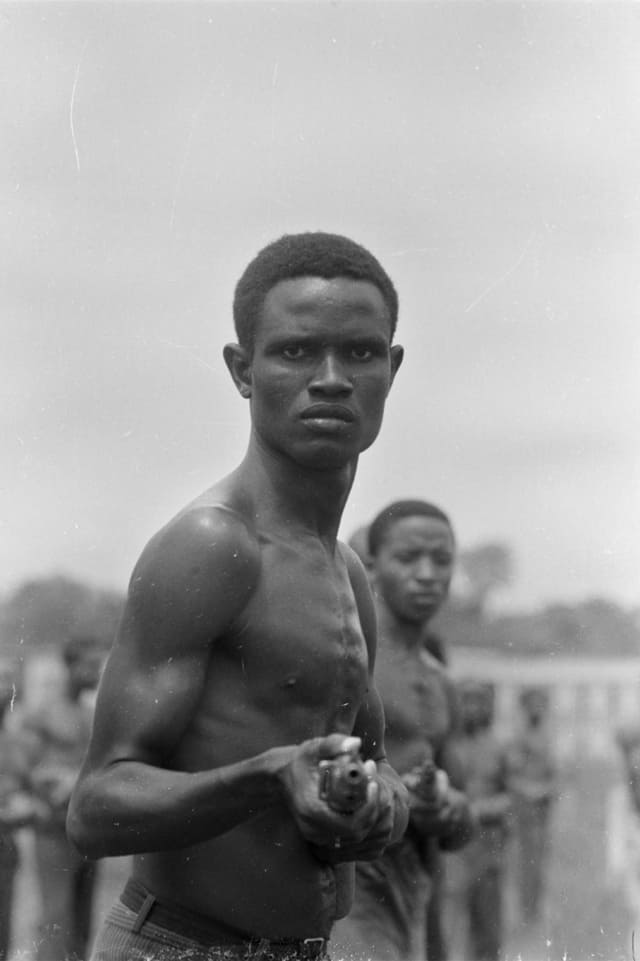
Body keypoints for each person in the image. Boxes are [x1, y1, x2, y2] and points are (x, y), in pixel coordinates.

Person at [67, 232, 410, 961]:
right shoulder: (213, 545)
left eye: (360, 352)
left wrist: (383, 804)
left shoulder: (347, 572)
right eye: (294, 351)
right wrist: (265, 776)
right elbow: (95, 810)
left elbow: (373, 763)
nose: (331, 378)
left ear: (393, 367)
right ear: (241, 369)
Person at [332, 500, 474, 961]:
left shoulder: (441, 683)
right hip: (352, 889)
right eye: (409, 558)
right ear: (371, 567)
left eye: (441, 560)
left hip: (417, 890)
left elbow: (462, 820)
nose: (428, 574)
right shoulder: (347, 661)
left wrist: (445, 807)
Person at [19, 635, 105, 961]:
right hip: (54, 832)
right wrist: (70, 780)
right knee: (57, 918)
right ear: (71, 666)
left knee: (84, 922)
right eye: (90, 666)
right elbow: (27, 769)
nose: (97, 674)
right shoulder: (43, 714)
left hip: (88, 834)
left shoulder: (93, 715)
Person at [442, 681, 511, 961]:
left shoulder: (497, 748)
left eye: (477, 702)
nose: (471, 709)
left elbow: (509, 796)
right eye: (465, 701)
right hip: (454, 850)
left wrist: (482, 810)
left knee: (488, 923)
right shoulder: (447, 748)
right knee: (451, 922)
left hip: (488, 847)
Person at [0, 656, 48, 960]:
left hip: (6, 846)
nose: (4, 690)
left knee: (3, 923)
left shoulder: (18, 743)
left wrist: (31, 807)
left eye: (7, 682)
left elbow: (32, 793)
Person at [506, 685, 556, 924]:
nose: (537, 710)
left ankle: (536, 908)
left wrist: (546, 790)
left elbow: (554, 775)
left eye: (540, 706)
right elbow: (512, 776)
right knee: (524, 861)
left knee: (540, 860)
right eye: (532, 706)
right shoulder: (519, 738)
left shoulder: (547, 738)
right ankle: (524, 909)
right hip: (524, 811)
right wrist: (529, 791)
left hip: (542, 810)